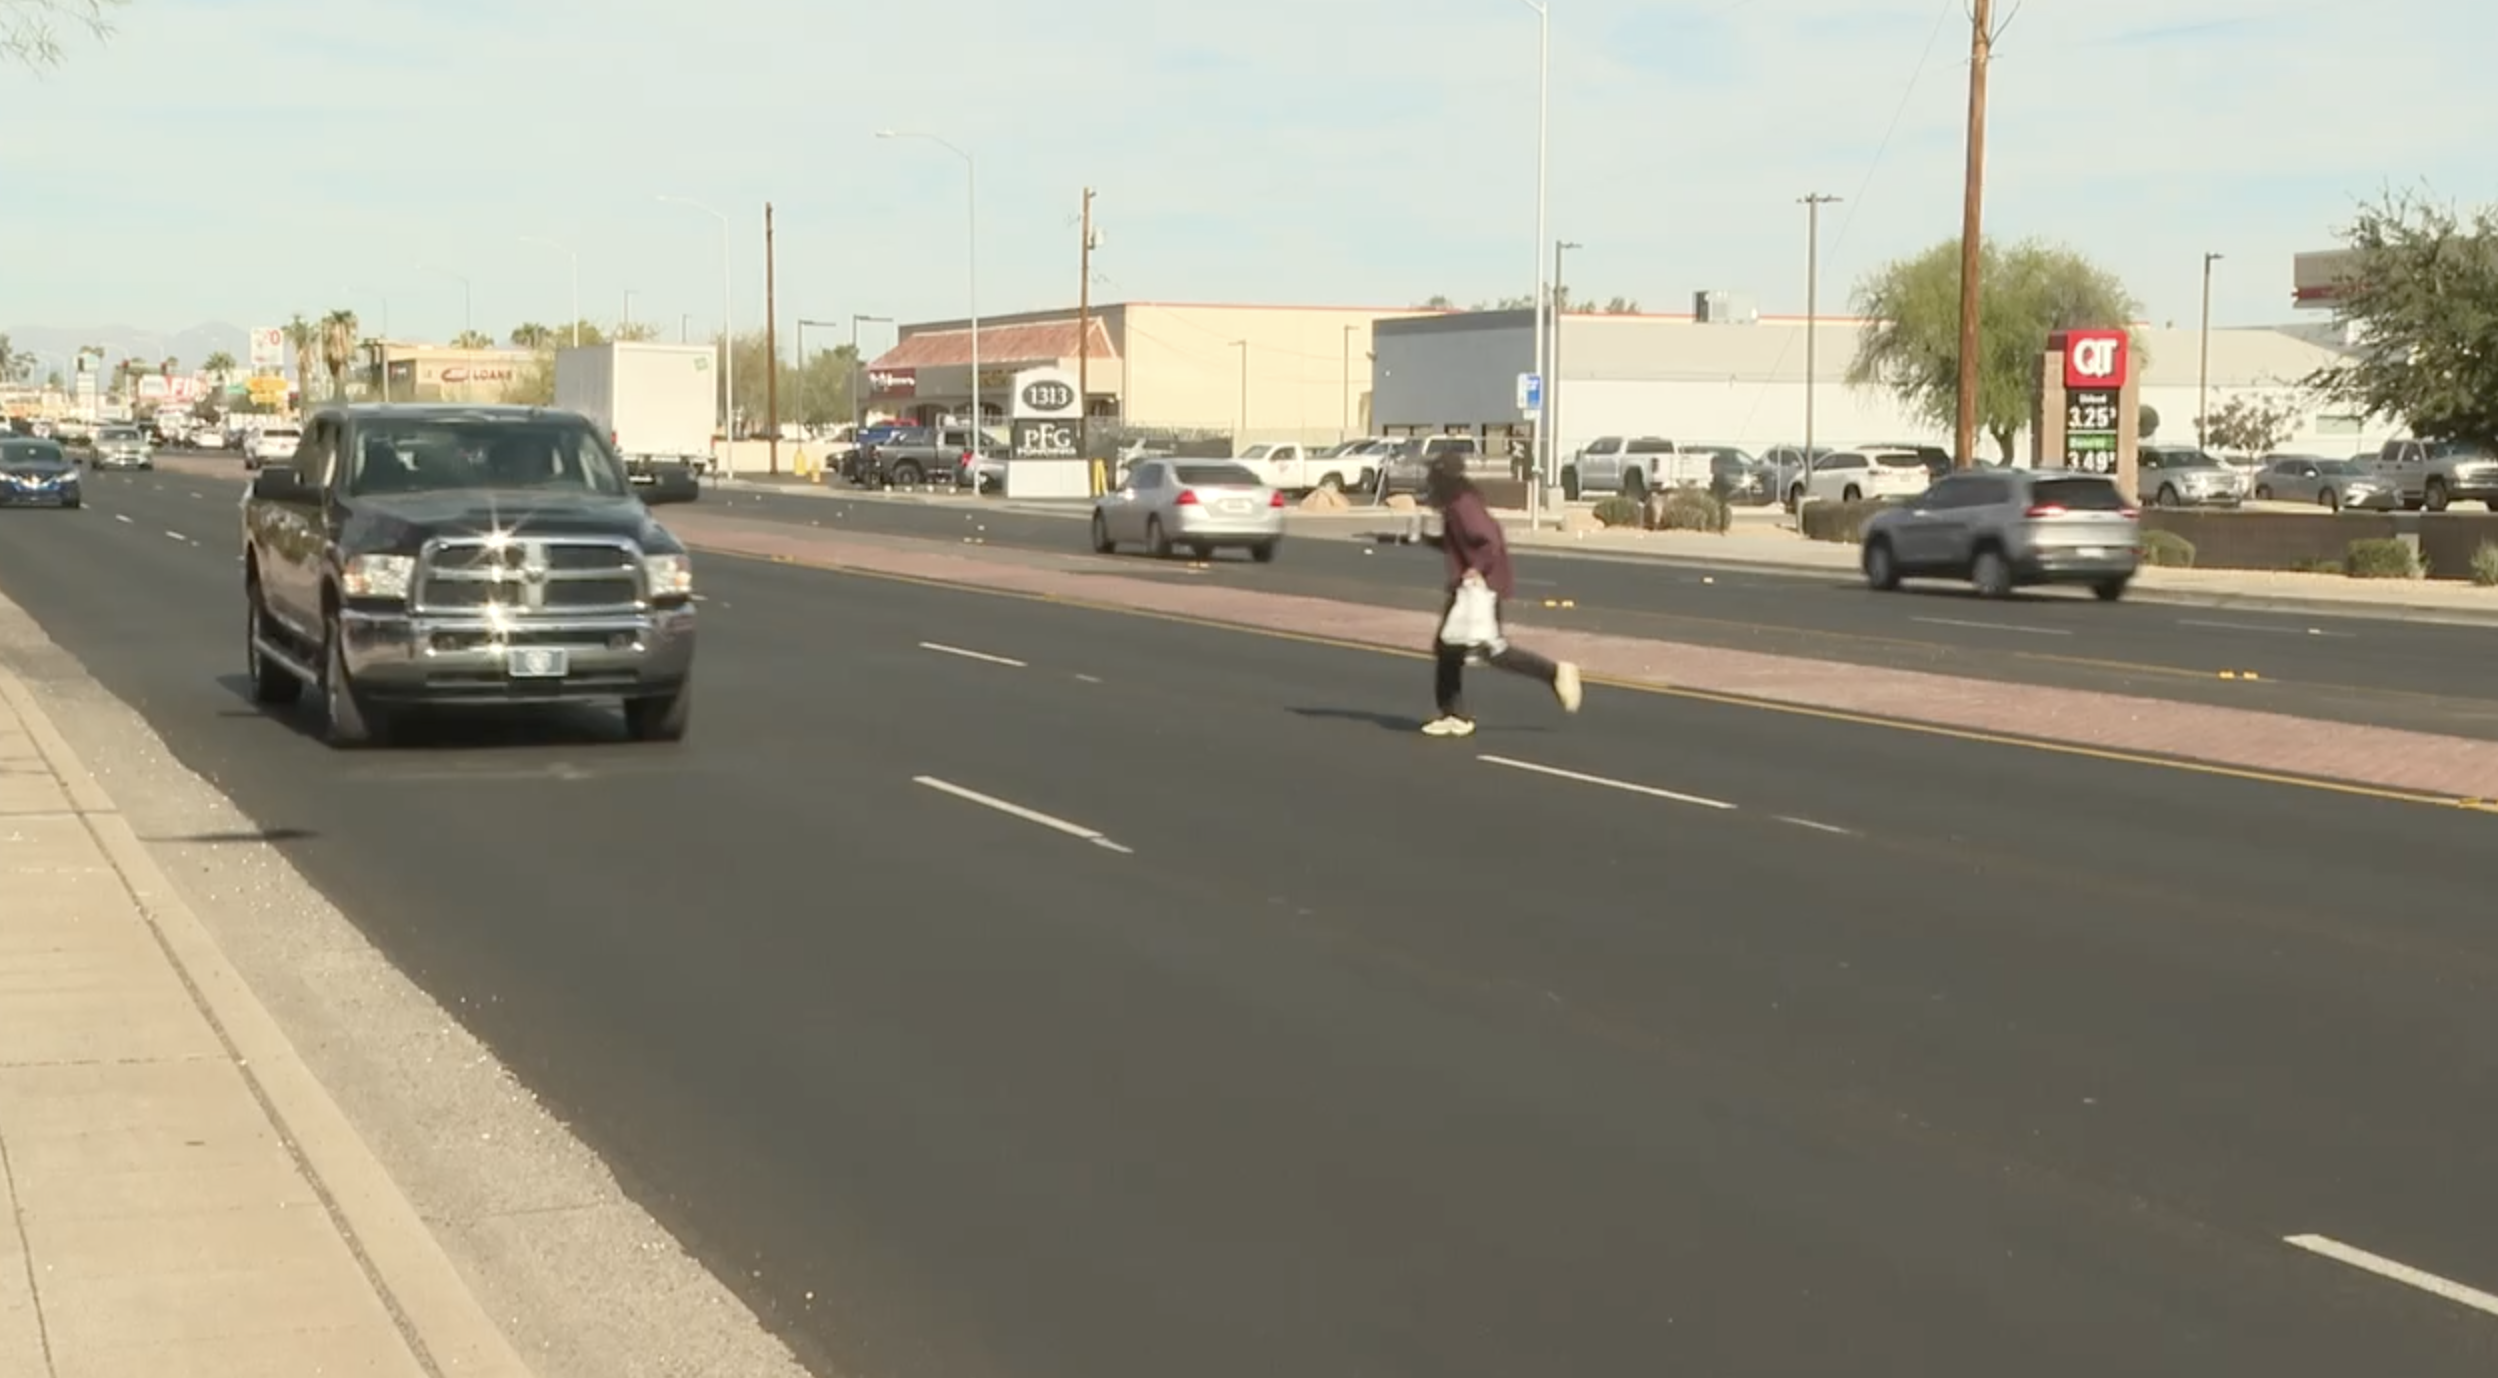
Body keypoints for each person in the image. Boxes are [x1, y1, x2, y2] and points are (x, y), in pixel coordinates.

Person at [1410, 451, 1581, 737]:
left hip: (1481, 588)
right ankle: (1453, 714)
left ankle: (1554, 673)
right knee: (1451, 649)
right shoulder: (1457, 503)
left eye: (1432, 474)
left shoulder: (1462, 505)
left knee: (1488, 650)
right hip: (1476, 585)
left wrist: (1477, 569)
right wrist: (1429, 540)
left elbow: (1488, 538)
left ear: (1442, 477)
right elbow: (1462, 543)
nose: (1428, 480)